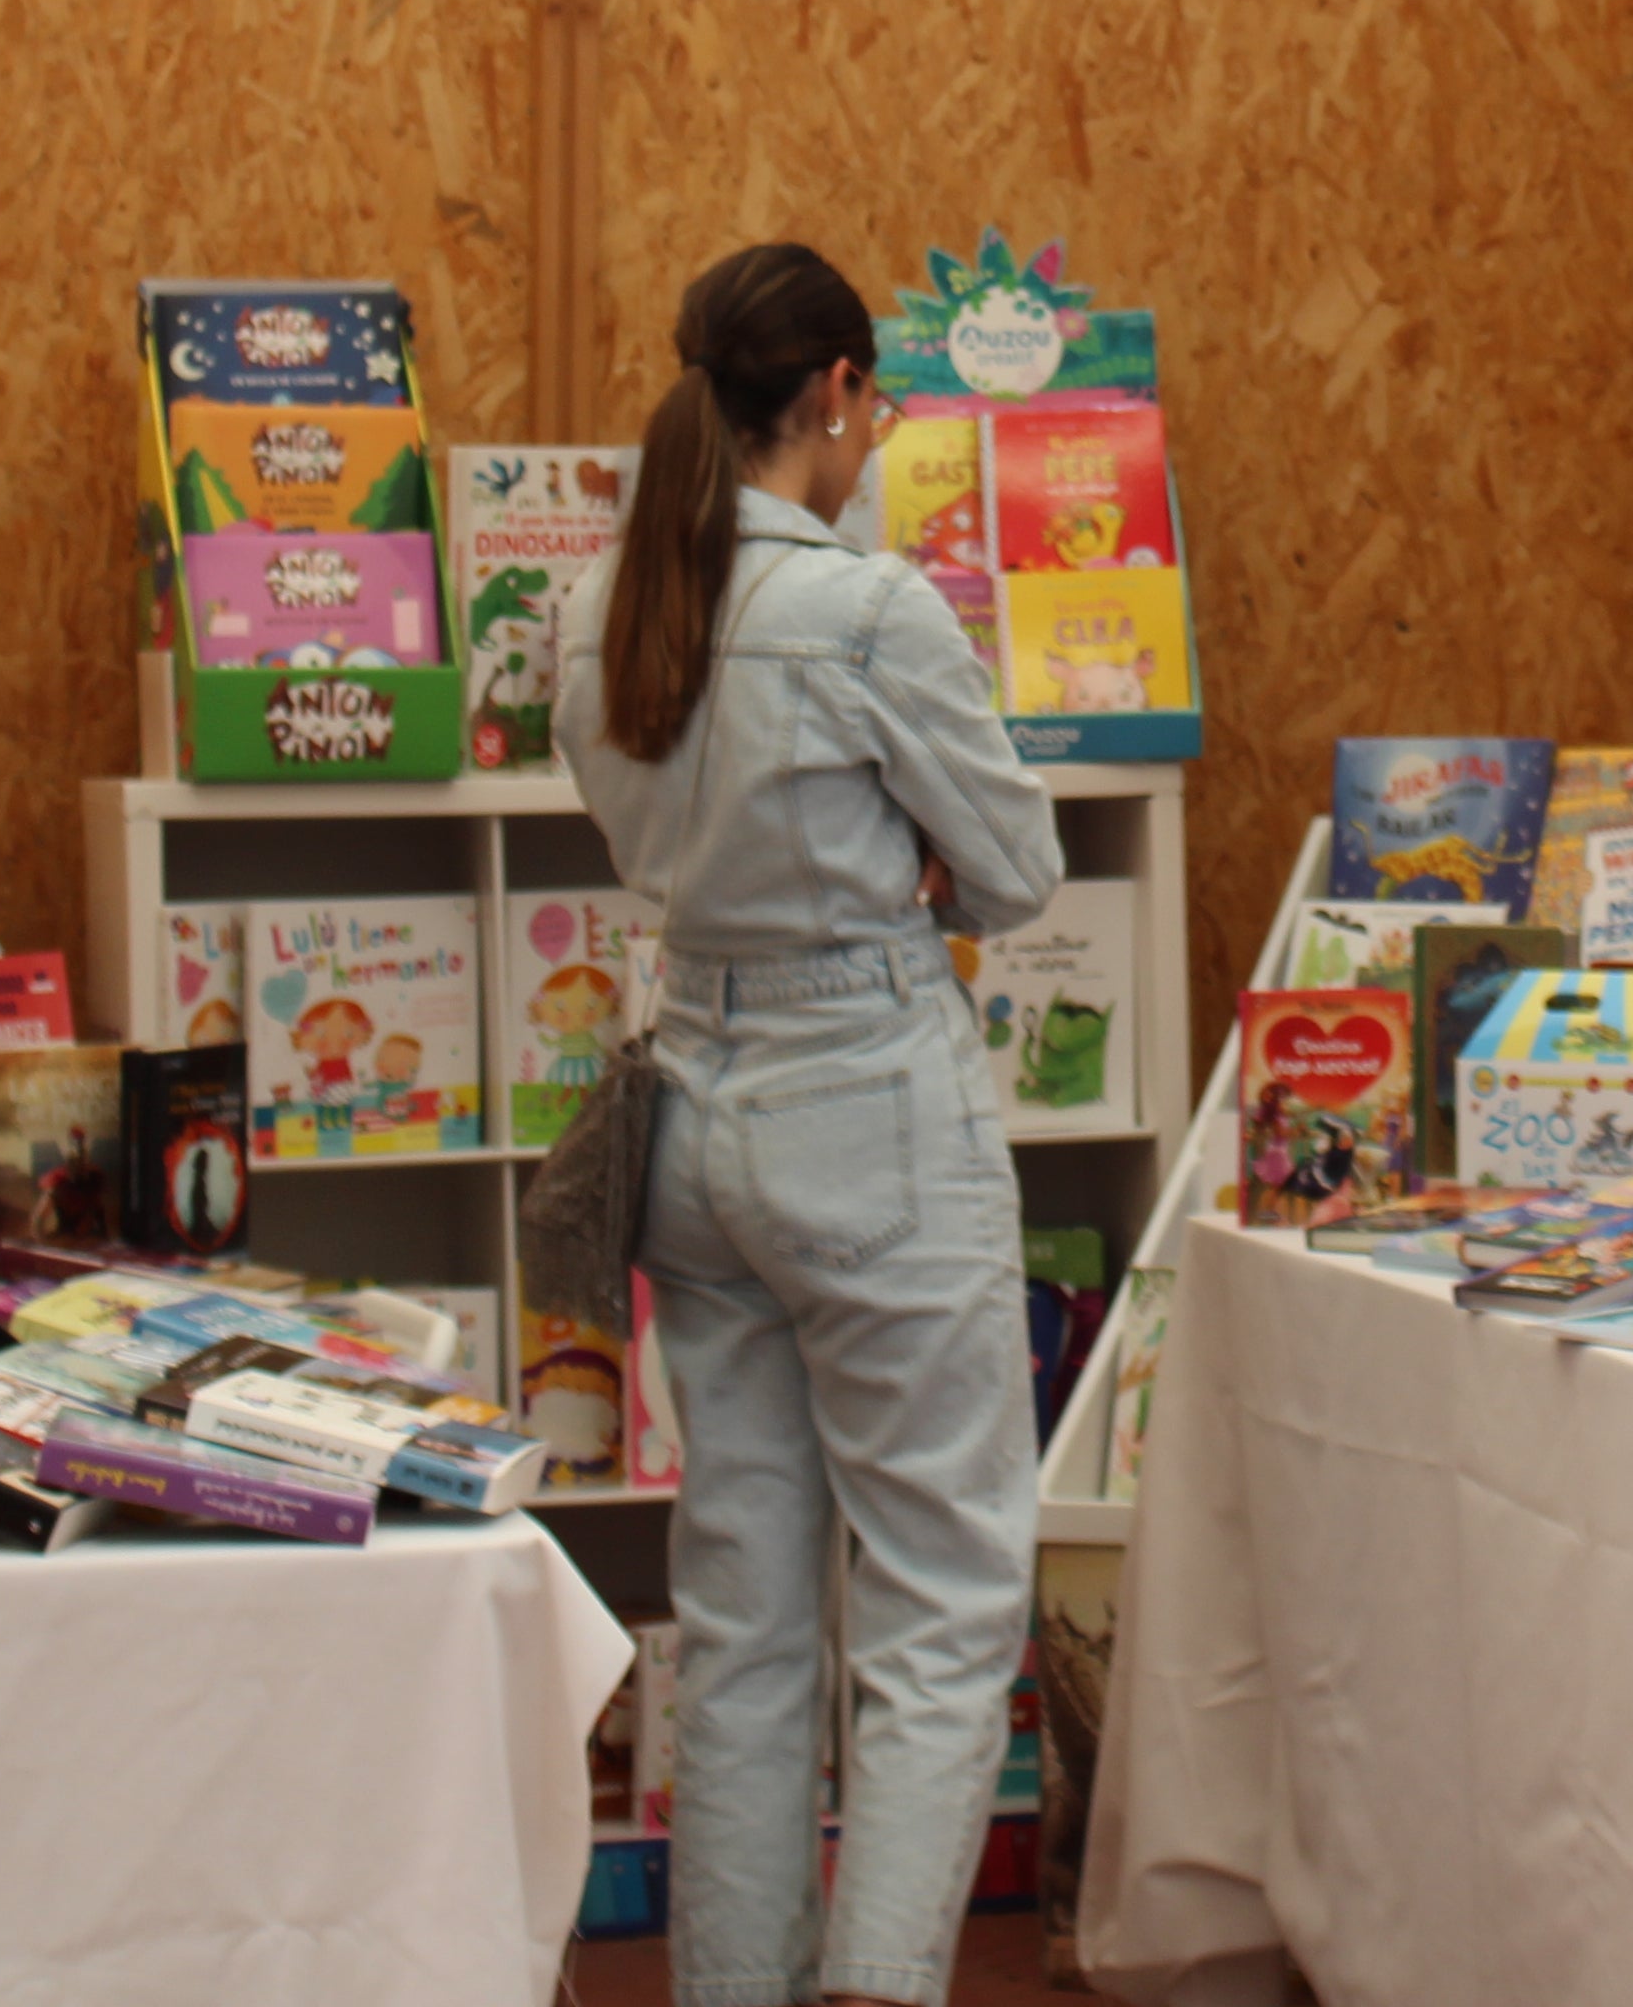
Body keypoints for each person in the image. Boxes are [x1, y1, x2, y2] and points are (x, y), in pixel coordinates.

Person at [552, 242, 1062, 2007]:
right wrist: (902, 862)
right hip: (870, 1113)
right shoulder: (866, 609)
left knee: (748, 1617)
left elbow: (636, 838)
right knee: (937, 1597)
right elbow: (1016, 868)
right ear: (838, 390)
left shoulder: (611, 609)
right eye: (875, 404)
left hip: (693, 1108)